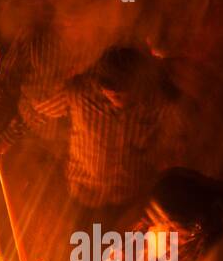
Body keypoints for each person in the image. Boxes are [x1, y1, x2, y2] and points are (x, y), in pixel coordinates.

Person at [36, 46, 179, 219]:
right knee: (80, 244)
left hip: (129, 200)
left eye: (123, 87)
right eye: (109, 86)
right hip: (84, 197)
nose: (114, 92)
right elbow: (41, 104)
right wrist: (67, 75)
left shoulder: (155, 102)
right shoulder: (81, 93)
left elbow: (174, 142)